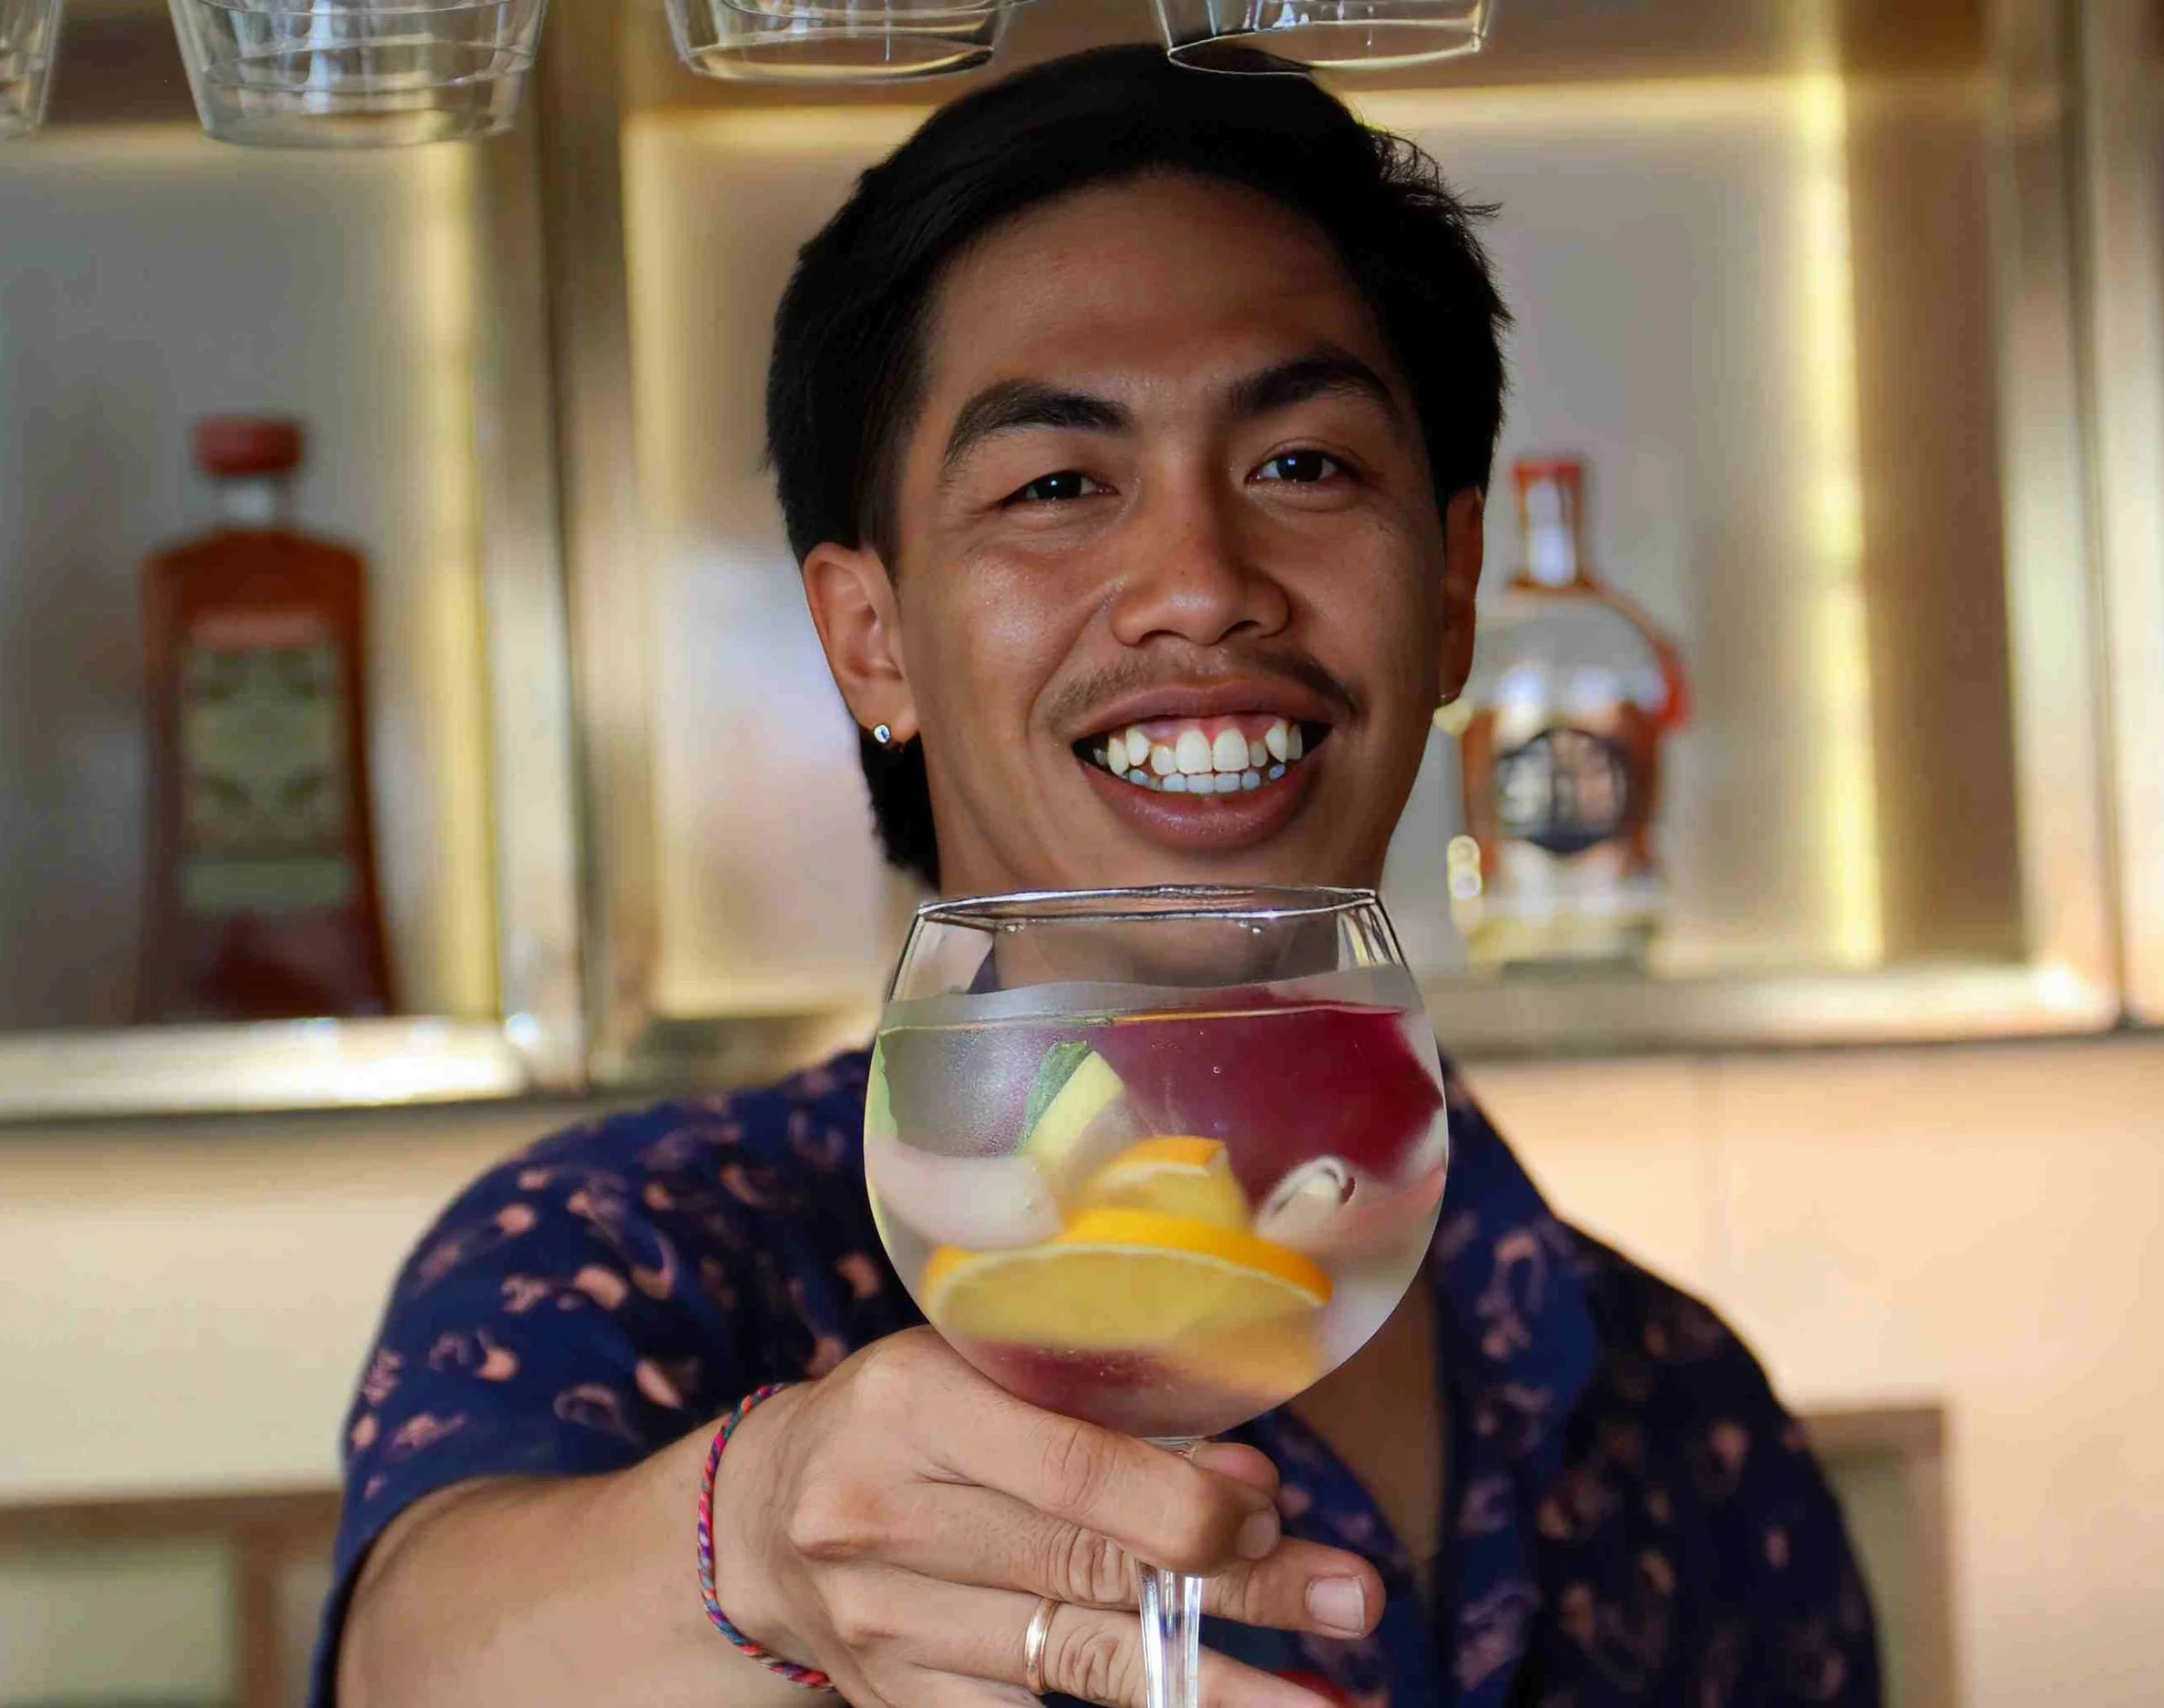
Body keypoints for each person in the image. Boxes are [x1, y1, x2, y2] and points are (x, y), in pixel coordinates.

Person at [323, 43, 1880, 1708]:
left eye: (1302, 466)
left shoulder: (1681, 1400)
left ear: (1450, 588)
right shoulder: (641, 1248)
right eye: (1058, 485)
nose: (1199, 587)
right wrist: (757, 1543)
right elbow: (424, 1651)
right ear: (870, 637)